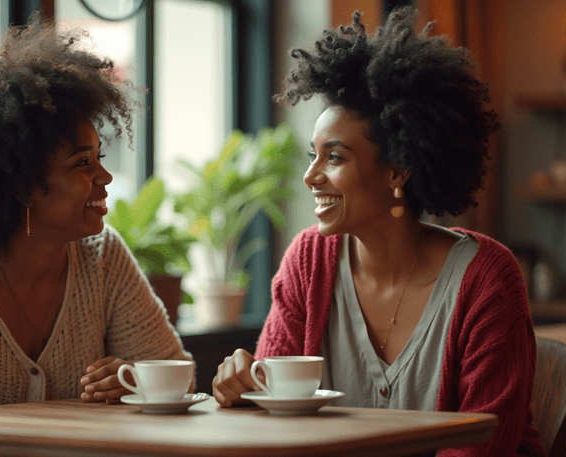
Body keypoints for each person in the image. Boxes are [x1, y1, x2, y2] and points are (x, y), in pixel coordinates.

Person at [212, 7, 544, 457]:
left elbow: (482, 447)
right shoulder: (308, 262)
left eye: (335, 157)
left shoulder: (487, 280)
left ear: (398, 171)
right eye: (313, 154)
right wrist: (244, 387)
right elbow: (273, 428)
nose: (311, 176)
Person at [0, 16, 193, 423]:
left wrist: (135, 383)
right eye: (82, 163)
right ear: (22, 184)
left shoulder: (103, 258)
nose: (105, 177)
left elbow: (180, 380)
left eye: (99, 158)